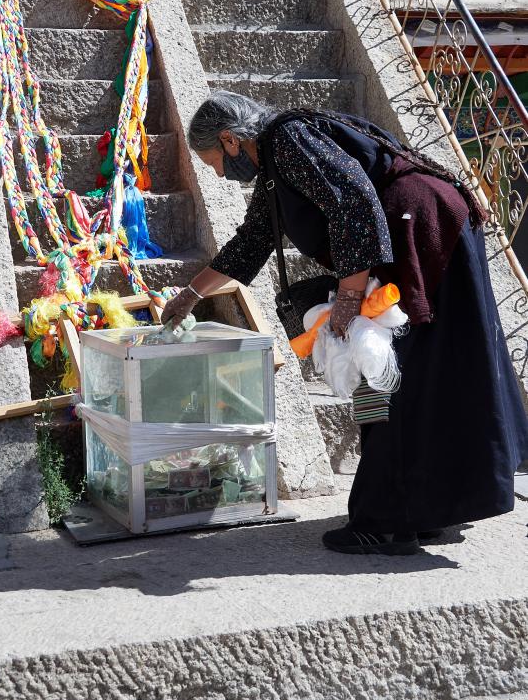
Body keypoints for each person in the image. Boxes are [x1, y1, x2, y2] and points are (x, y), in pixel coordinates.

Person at [162, 91, 528, 555]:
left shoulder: (288, 140)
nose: (217, 173)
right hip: (426, 231)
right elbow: (252, 241)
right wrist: (192, 294)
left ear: (231, 140)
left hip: (422, 238)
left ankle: (387, 521)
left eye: (212, 160)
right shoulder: (279, 163)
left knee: (392, 379)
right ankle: (424, 509)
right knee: (419, 375)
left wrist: (350, 299)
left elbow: (354, 202)